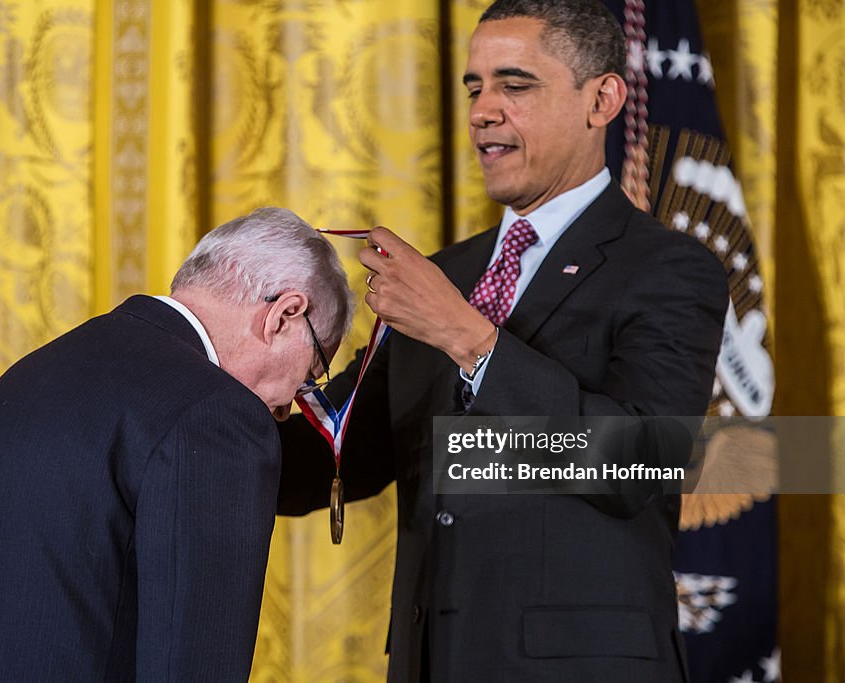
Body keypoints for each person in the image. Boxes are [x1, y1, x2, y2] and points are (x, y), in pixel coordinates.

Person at [277, 1, 728, 681]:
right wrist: (210, 391)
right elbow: (338, 453)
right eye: (474, 88)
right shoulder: (448, 272)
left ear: (601, 99)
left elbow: (643, 461)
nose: (483, 110)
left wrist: (467, 338)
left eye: (515, 86)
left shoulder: (668, 267)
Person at [0, 207, 353, 681]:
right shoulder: (218, 415)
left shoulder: (24, 378)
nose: (287, 407)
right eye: (311, 375)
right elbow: (194, 666)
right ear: (284, 315)